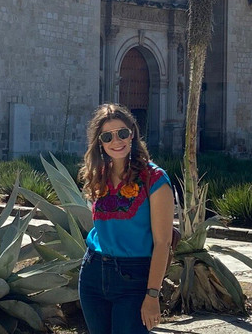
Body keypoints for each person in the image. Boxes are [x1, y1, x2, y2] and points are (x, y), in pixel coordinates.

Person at [77, 104, 174, 334]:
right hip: (93, 272)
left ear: (132, 134)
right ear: (100, 142)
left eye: (122, 133)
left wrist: (152, 295)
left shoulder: (154, 179)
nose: (116, 141)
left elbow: (163, 243)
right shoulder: (98, 175)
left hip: (134, 278)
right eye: (107, 136)